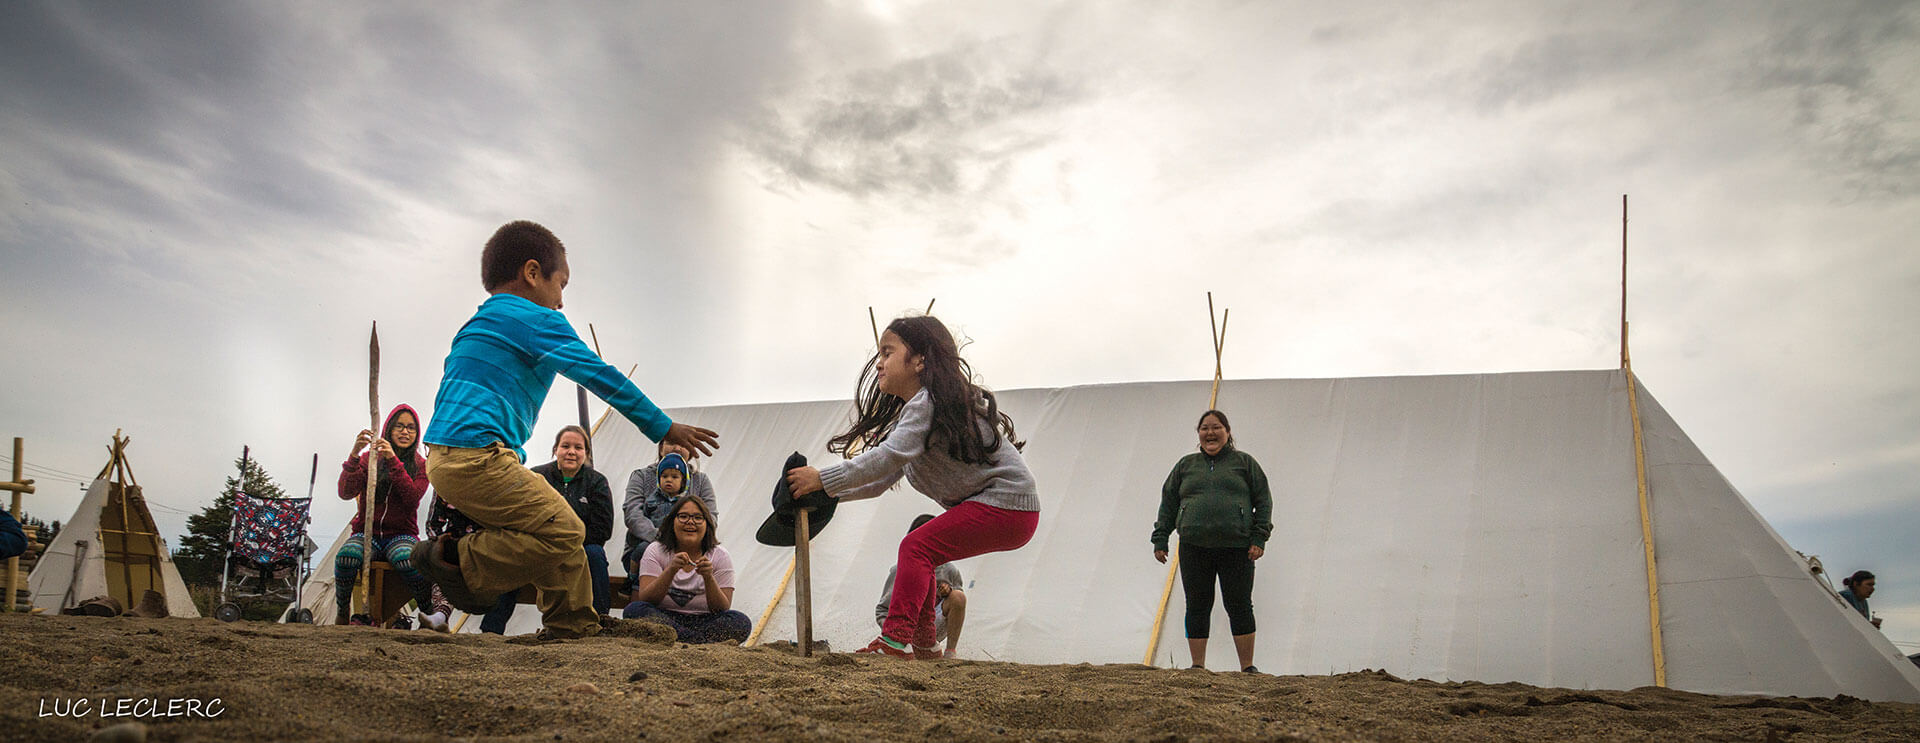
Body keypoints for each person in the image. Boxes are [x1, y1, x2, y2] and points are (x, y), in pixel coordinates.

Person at [417, 220, 719, 642]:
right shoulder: (537, 319)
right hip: (480, 457)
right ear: (533, 273)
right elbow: (600, 374)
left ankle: (572, 624)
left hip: (444, 457)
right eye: (562, 284)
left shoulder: (477, 324)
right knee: (566, 530)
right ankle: (454, 559)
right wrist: (662, 425)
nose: (561, 300)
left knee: (553, 528)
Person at [784, 315, 1041, 660]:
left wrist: (822, 479)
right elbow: (880, 480)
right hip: (1011, 510)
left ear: (920, 360)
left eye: (887, 352)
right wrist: (827, 494)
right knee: (926, 553)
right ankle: (925, 646)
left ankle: (892, 641)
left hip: (1008, 504)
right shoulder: (918, 413)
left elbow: (885, 457)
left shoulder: (927, 403)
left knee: (916, 547)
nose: (878, 363)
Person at [1151, 409, 1272, 673]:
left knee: (1239, 604)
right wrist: (1161, 538)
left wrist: (1259, 537)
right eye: (1205, 428)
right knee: (1197, 604)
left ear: (1227, 432)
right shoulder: (1186, 466)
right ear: (1199, 434)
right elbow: (1169, 503)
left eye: (1216, 427)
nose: (1210, 433)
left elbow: (1263, 501)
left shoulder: (1245, 463)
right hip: (1194, 546)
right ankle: (1197, 666)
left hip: (1237, 547)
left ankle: (1248, 667)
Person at [333, 404, 443, 630]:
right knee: (346, 556)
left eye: (411, 428)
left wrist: (394, 461)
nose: (405, 432)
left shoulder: (422, 466)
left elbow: (412, 498)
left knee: (409, 561)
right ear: (389, 429)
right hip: (367, 533)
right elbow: (345, 492)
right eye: (400, 426)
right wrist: (354, 456)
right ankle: (343, 611)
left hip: (400, 535)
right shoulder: (369, 459)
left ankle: (426, 612)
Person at [621, 493, 752, 643]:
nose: (690, 522)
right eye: (683, 516)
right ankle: (697, 642)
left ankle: (679, 639)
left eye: (698, 518)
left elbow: (722, 608)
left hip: (704, 620)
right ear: (672, 522)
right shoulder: (655, 550)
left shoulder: (720, 556)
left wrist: (708, 578)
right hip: (665, 616)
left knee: (740, 621)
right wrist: (670, 571)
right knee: (634, 610)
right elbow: (647, 598)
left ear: (707, 524)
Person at [530, 425, 614, 615]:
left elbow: (603, 529)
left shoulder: (596, 482)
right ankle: (492, 628)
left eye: (578, 447)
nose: (571, 452)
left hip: (581, 547)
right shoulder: (537, 476)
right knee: (514, 553)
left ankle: (602, 618)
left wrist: (570, 542)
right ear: (555, 450)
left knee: (595, 554)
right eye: (565, 446)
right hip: (540, 545)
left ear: (586, 453)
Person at [875, 514, 966, 659]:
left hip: (932, 626)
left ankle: (950, 652)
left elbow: (959, 603)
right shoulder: (900, 570)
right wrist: (895, 636)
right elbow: (882, 609)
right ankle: (901, 644)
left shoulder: (949, 569)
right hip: (906, 628)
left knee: (958, 596)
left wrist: (948, 592)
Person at [623, 444, 716, 577]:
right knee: (645, 556)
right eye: (672, 442)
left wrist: (684, 543)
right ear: (661, 448)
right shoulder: (641, 476)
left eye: (683, 444)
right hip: (645, 546)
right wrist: (660, 539)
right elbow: (633, 514)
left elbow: (711, 518)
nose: (678, 448)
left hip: (689, 549)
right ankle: (632, 583)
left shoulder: (701, 481)